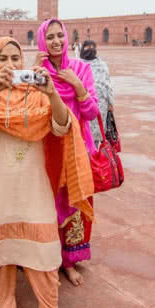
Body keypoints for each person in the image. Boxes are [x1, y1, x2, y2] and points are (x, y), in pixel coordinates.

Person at [0, 36, 94, 308]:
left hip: (32, 191)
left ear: (23, 63)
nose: (10, 64)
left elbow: (63, 127)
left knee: (43, 252)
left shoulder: (38, 94)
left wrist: (52, 94)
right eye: (3, 58)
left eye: (16, 59)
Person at [36, 19, 99, 286]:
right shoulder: (39, 73)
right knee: (48, 206)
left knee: (74, 204)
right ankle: (49, 259)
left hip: (77, 149)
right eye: (49, 37)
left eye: (59, 35)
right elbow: (32, 111)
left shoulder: (81, 69)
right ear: (42, 41)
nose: (56, 41)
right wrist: (37, 75)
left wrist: (77, 86)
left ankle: (70, 261)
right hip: (48, 148)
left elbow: (93, 112)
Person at [80, 40, 114, 146]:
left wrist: (110, 103)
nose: (90, 48)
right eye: (87, 46)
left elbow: (108, 85)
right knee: (83, 133)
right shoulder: (78, 64)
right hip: (83, 104)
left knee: (97, 135)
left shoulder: (102, 65)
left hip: (100, 105)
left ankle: (94, 156)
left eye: (92, 46)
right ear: (82, 48)